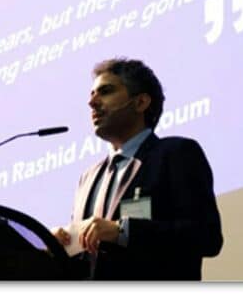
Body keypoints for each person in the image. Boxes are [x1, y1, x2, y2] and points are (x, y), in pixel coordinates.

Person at [52, 58, 222, 280]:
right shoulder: (88, 177)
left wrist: (123, 231)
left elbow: (206, 236)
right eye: (92, 94)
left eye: (106, 91)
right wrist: (58, 248)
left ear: (140, 102)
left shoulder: (176, 153)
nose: (92, 102)